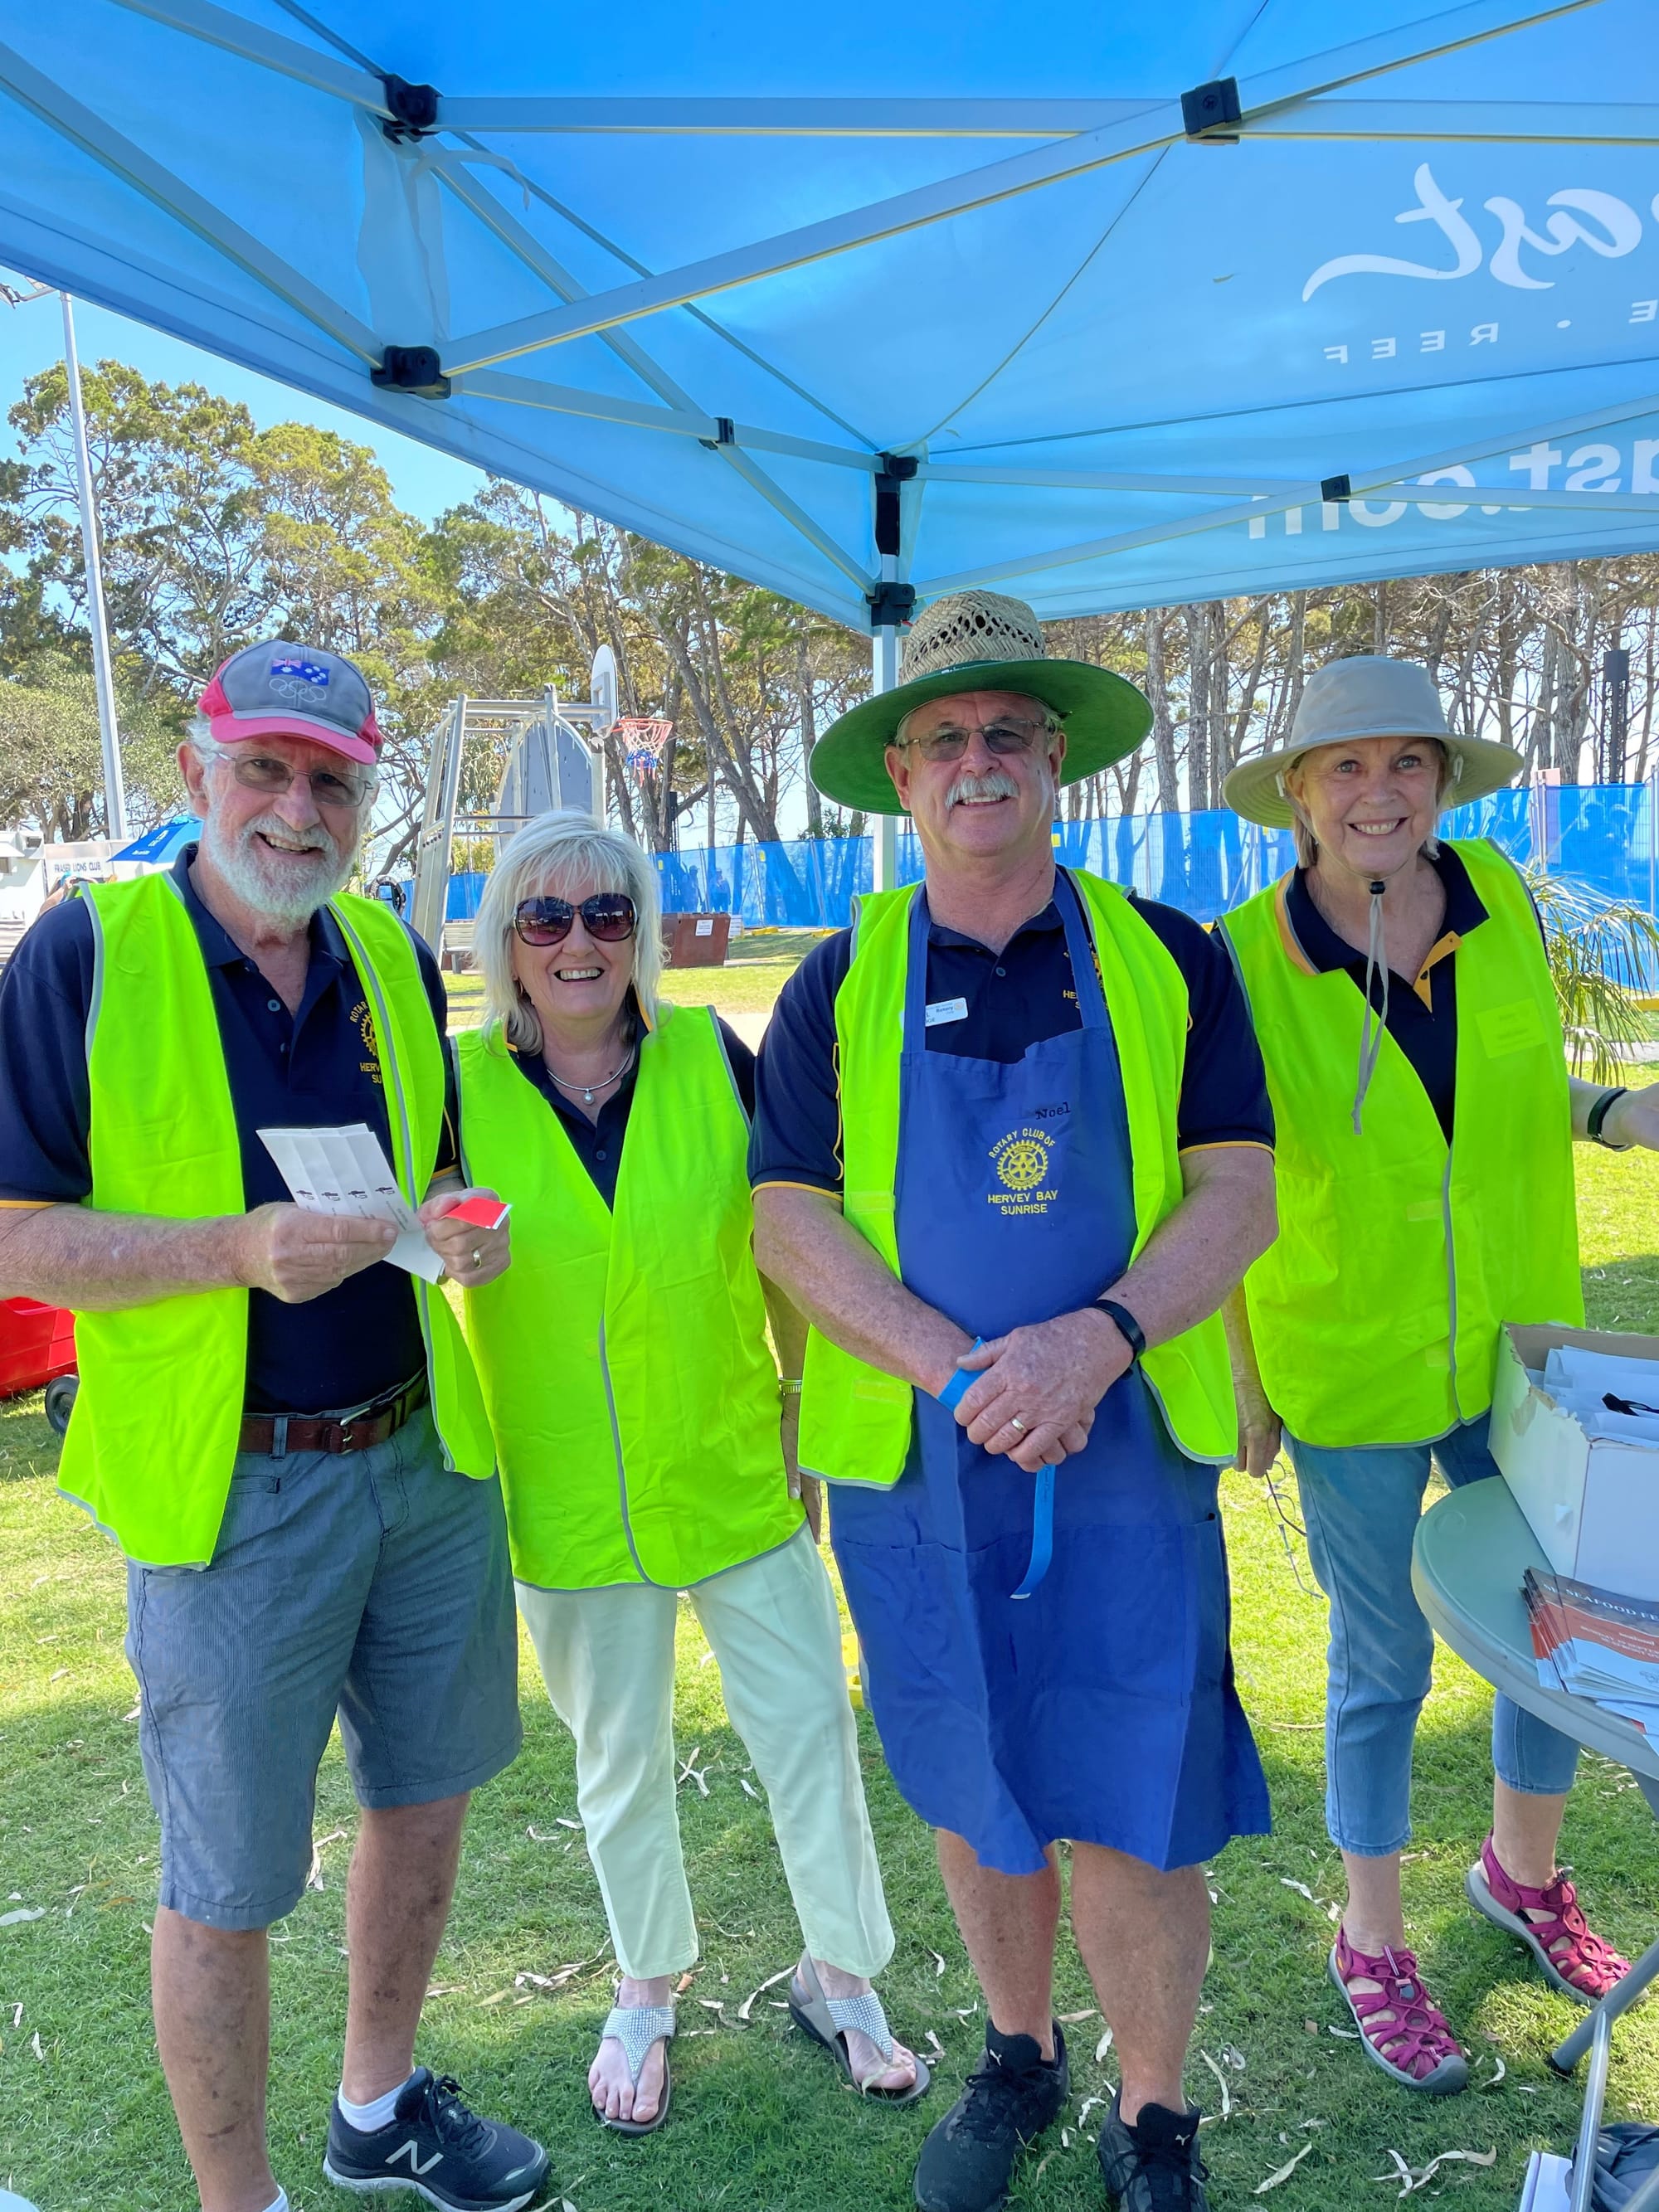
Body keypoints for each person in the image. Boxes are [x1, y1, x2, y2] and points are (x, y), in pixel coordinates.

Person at [0, 640, 547, 2212]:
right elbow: (14, 1230)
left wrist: (457, 1224)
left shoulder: (381, 947)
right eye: (268, 770)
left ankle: (375, 2108)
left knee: (426, 1801)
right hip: (233, 1498)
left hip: (420, 1462)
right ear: (196, 772)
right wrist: (228, 1249)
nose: (298, 810)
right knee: (229, 1885)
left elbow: (417, 1183)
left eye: (332, 781)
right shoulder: (87, 953)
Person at [751, 590, 1277, 2212]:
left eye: (1007, 734)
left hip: (1120, 1450)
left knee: (1135, 1781)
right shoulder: (836, 982)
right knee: (972, 1766)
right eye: (945, 738)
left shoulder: (1165, 955)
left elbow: (1238, 1189)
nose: (978, 761)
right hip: (922, 1459)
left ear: (1055, 757)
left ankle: (1154, 2110)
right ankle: (1014, 2050)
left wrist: (1097, 1339)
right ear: (900, 775)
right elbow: (785, 1210)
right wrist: (955, 1362)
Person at [1219, 654, 1659, 2093]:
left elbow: (1530, 1088)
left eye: (1405, 761)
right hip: (1342, 1358)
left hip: (1522, 1356)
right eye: (1343, 766)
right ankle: (1371, 1942)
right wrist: (1239, 1374)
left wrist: (1618, 1111)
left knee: (1556, 1625)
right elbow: (1208, 1179)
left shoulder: (1503, 905)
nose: (1377, 792)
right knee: (1381, 1660)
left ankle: (1520, 1877)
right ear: (1295, 793)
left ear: (1441, 783)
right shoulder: (1239, 956)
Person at [455, 811, 926, 2137]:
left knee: (809, 1730)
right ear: (507, 943)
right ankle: (647, 1986)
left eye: (609, 914)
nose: (580, 942)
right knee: (618, 1758)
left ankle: (841, 1976)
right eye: (545, 919)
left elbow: (793, 1241)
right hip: (562, 1490)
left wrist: (803, 1417)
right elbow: (404, 1248)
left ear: (644, 933)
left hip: (730, 1467)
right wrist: (441, 1252)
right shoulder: (453, 1089)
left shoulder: (719, 1058)